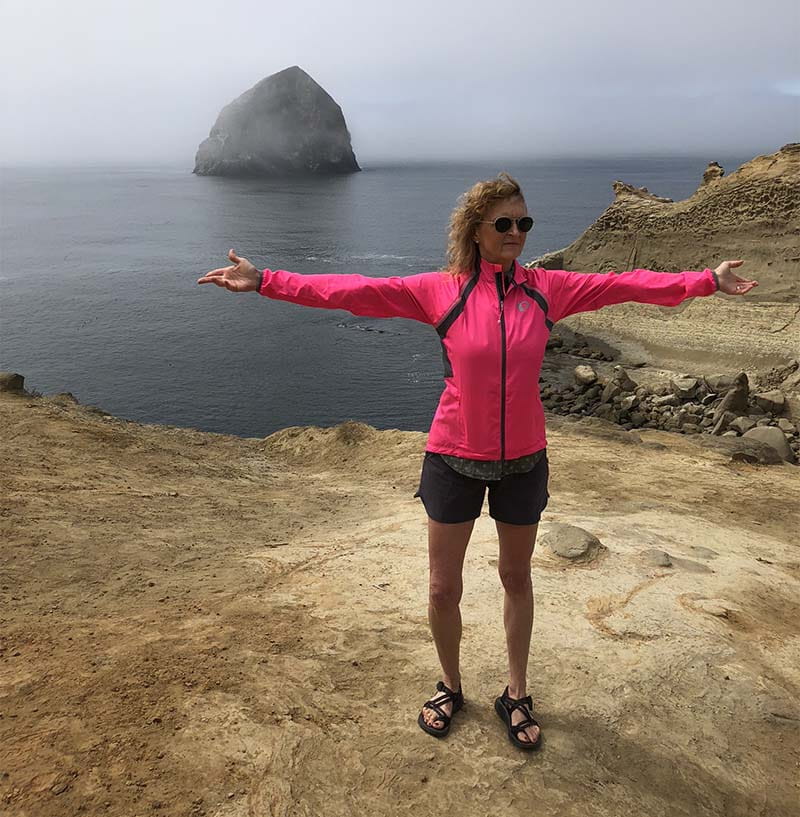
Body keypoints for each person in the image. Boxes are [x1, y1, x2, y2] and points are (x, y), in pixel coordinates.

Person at [197, 172, 758, 750]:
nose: (517, 233)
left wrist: (705, 282)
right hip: (453, 456)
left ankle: (516, 692)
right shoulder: (440, 290)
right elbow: (353, 290)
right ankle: (450, 684)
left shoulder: (547, 289)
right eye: (505, 224)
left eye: (525, 223)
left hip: (524, 459)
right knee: (443, 588)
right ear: (476, 230)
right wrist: (266, 280)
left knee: (516, 577)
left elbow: (623, 284)